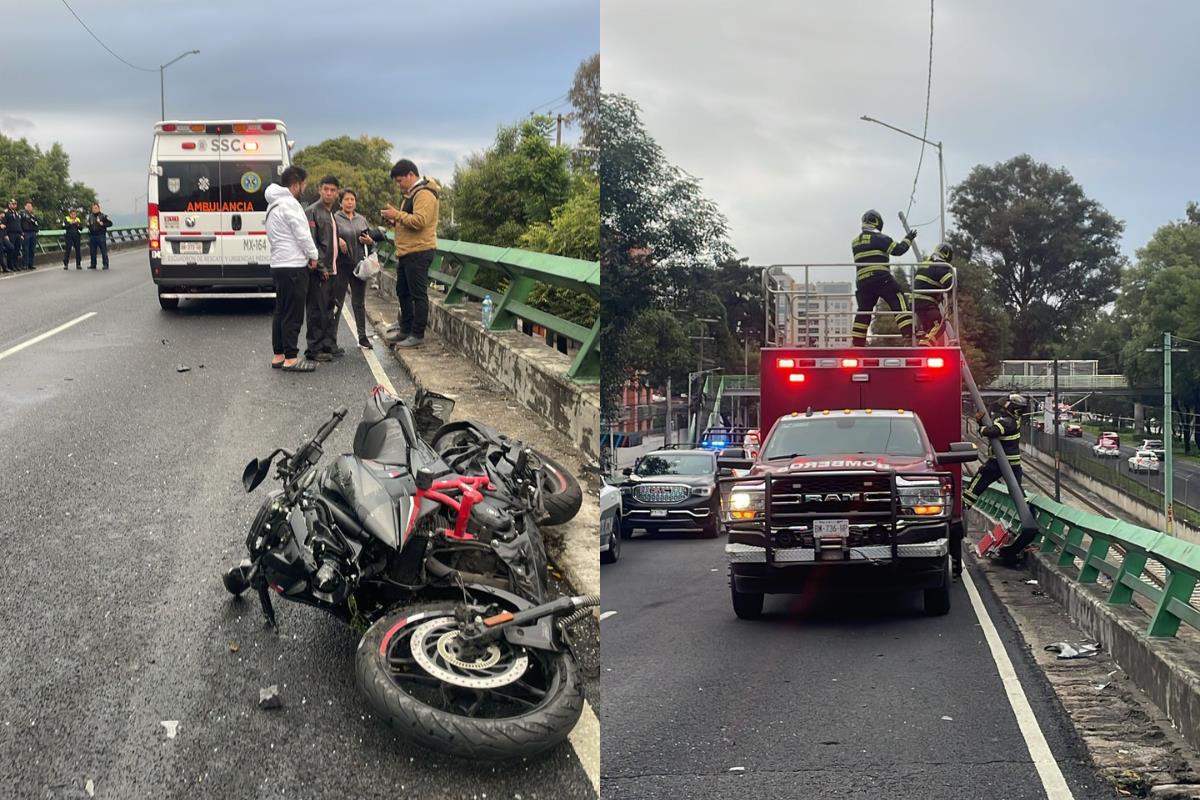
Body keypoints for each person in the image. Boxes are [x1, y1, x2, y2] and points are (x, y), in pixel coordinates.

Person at [265, 165, 320, 372]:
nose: (303, 188)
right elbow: (302, 234)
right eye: (303, 184)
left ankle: (278, 354)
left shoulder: (273, 205)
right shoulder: (290, 204)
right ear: (296, 184)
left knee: (280, 310)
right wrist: (313, 255)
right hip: (294, 266)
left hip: (278, 264)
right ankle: (291, 358)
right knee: (293, 313)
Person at [963, 394, 1028, 568]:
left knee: (977, 484)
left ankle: (963, 506)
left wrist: (980, 425)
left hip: (999, 462)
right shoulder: (1015, 419)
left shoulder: (1007, 422)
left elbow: (990, 431)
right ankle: (1027, 513)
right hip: (1013, 463)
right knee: (1017, 492)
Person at [381, 159, 441, 348]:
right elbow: (409, 221)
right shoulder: (411, 194)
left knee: (418, 294)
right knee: (403, 292)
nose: (399, 185)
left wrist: (396, 215)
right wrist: (394, 221)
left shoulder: (425, 194)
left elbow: (420, 221)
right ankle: (405, 330)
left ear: (410, 175)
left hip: (419, 251)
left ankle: (417, 334)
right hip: (406, 252)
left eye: (400, 180)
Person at [850, 209, 915, 347]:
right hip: (881, 278)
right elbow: (898, 250)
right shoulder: (881, 239)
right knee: (899, 300)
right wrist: (908, 238)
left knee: (864, 310)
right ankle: (909, 336)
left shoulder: (855, 242)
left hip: (862, 282)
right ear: (877, 223)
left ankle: (857, 342)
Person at [333, 188, 378, 348]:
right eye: (346, 199)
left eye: (352, 199)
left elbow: (372, 240)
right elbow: (326, 236)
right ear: (340, 202)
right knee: (337, 302)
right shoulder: (335, 219)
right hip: (341, 265)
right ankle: (332, 339)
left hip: (359, 266)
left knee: (359, 303)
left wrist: (369, 241)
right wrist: (338, 240)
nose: (350, 202)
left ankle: (362, 337)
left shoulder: (362, 220)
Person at [305, 175, 341, 362]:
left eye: (332, 190)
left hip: (332, 269)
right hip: (321, 270)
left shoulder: (331, 213)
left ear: (337, 193)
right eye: (325, 189)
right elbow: (311, 241)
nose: (329, 193)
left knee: (328, 308)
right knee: (316, 310)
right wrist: (321, 267)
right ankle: (314, 348)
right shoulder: (312, 211)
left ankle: (328, 344)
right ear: (320, 189)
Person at [912, 242, 956, 346]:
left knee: (929, 326)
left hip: (915, 301)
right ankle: (926, 343)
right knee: (940, 325)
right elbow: (950, 284)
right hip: (927, 302)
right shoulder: (941, 266)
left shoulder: (925, 265)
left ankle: (925, 338)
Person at [86, 203, 113, 269]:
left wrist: (102, 223)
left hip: (101, 235)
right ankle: (93, 264)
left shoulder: (103, 216)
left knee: (103, 251)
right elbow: (89, 226)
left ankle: (105, 264)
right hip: (92, 236)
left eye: (96, 208)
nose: (94, 209)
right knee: (92, 251)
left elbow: (110, 223)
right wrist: (88, 225)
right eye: (93, 208)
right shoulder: (90, 216)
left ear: (99, 208)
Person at [3, 199, 23, 272]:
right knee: (11, 250)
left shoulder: (17, 214)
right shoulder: (6, 213)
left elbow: (19, 224)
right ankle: (10, 265)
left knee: (17, 250)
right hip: (10, 233)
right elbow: (4, 224)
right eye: (12, 204)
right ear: (9, 205)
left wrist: (21, 233)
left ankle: (15, 265)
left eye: (15, 204)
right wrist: (5, 234)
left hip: (17, 233)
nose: (14, 205)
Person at [20, 201, 40, 270]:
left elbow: (37, 224)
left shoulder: (33, 216)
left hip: (33, 233)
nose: (29, 208)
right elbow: (19, 224)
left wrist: (36, 231)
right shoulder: (22, 214)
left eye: (30, 206)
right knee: (26, 249)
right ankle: (25, 264)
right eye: (27, 206)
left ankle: (31, 264)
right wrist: (21, 232)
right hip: (26, 233)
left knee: (32, 249)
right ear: (25, 207)